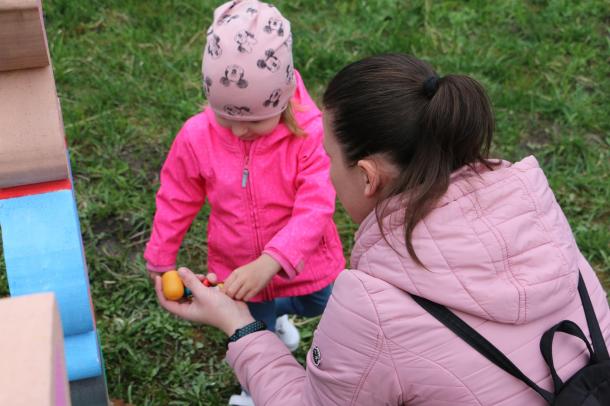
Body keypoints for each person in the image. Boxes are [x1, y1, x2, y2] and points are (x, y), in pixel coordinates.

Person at [155, 54, 610, 405]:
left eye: (330, 158)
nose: (327, 173)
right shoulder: (544, 224)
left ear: (368, 177)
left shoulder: (372, 305)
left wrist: (238, 326)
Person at [144, 1, 344, 404]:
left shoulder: (309, 134)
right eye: (225, 116)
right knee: (252, 329)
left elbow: (316, 204)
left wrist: (272, 261)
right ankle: (256, 389)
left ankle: (300, 335)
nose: (238, 129)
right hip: (238, 269)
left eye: (253, 120)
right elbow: (176, 196)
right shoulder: (197, 136)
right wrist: (161, 258)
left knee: (329, 305)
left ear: (284, 97)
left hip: (309, 264)